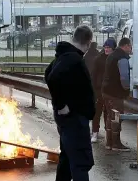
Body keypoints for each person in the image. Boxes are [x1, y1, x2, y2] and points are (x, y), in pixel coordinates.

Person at [45, 25, 95, 181]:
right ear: (88, 43)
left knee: (67, 159)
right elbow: (52, 78)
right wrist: (61, 105)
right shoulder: (72, 58)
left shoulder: (64, 55)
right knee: (80, 162)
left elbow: (48, 73)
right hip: (75, 119)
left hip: (71, 119)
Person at [102, 37, 132, 151]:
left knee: (110, 116)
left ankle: (109, 143)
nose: (130, 49)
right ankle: (116, 143)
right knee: (117, 117)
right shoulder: (122, 58)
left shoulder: (111, 56)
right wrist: (127, 89)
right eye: (130, 46)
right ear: (126, 45)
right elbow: (124, 77)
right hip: (116, 93)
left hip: (106, 91)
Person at [90, 38, 117, 143]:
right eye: (105, 47)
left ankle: (108, 133)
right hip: (98, 90)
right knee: (97, 112)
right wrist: (94, 89)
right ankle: (95, 133)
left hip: (110, 91)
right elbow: (94, 75)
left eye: (109, 47)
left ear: (113, 48)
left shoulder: (115, 59)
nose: (106, 49)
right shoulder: (98, 59)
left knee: (108, 113)